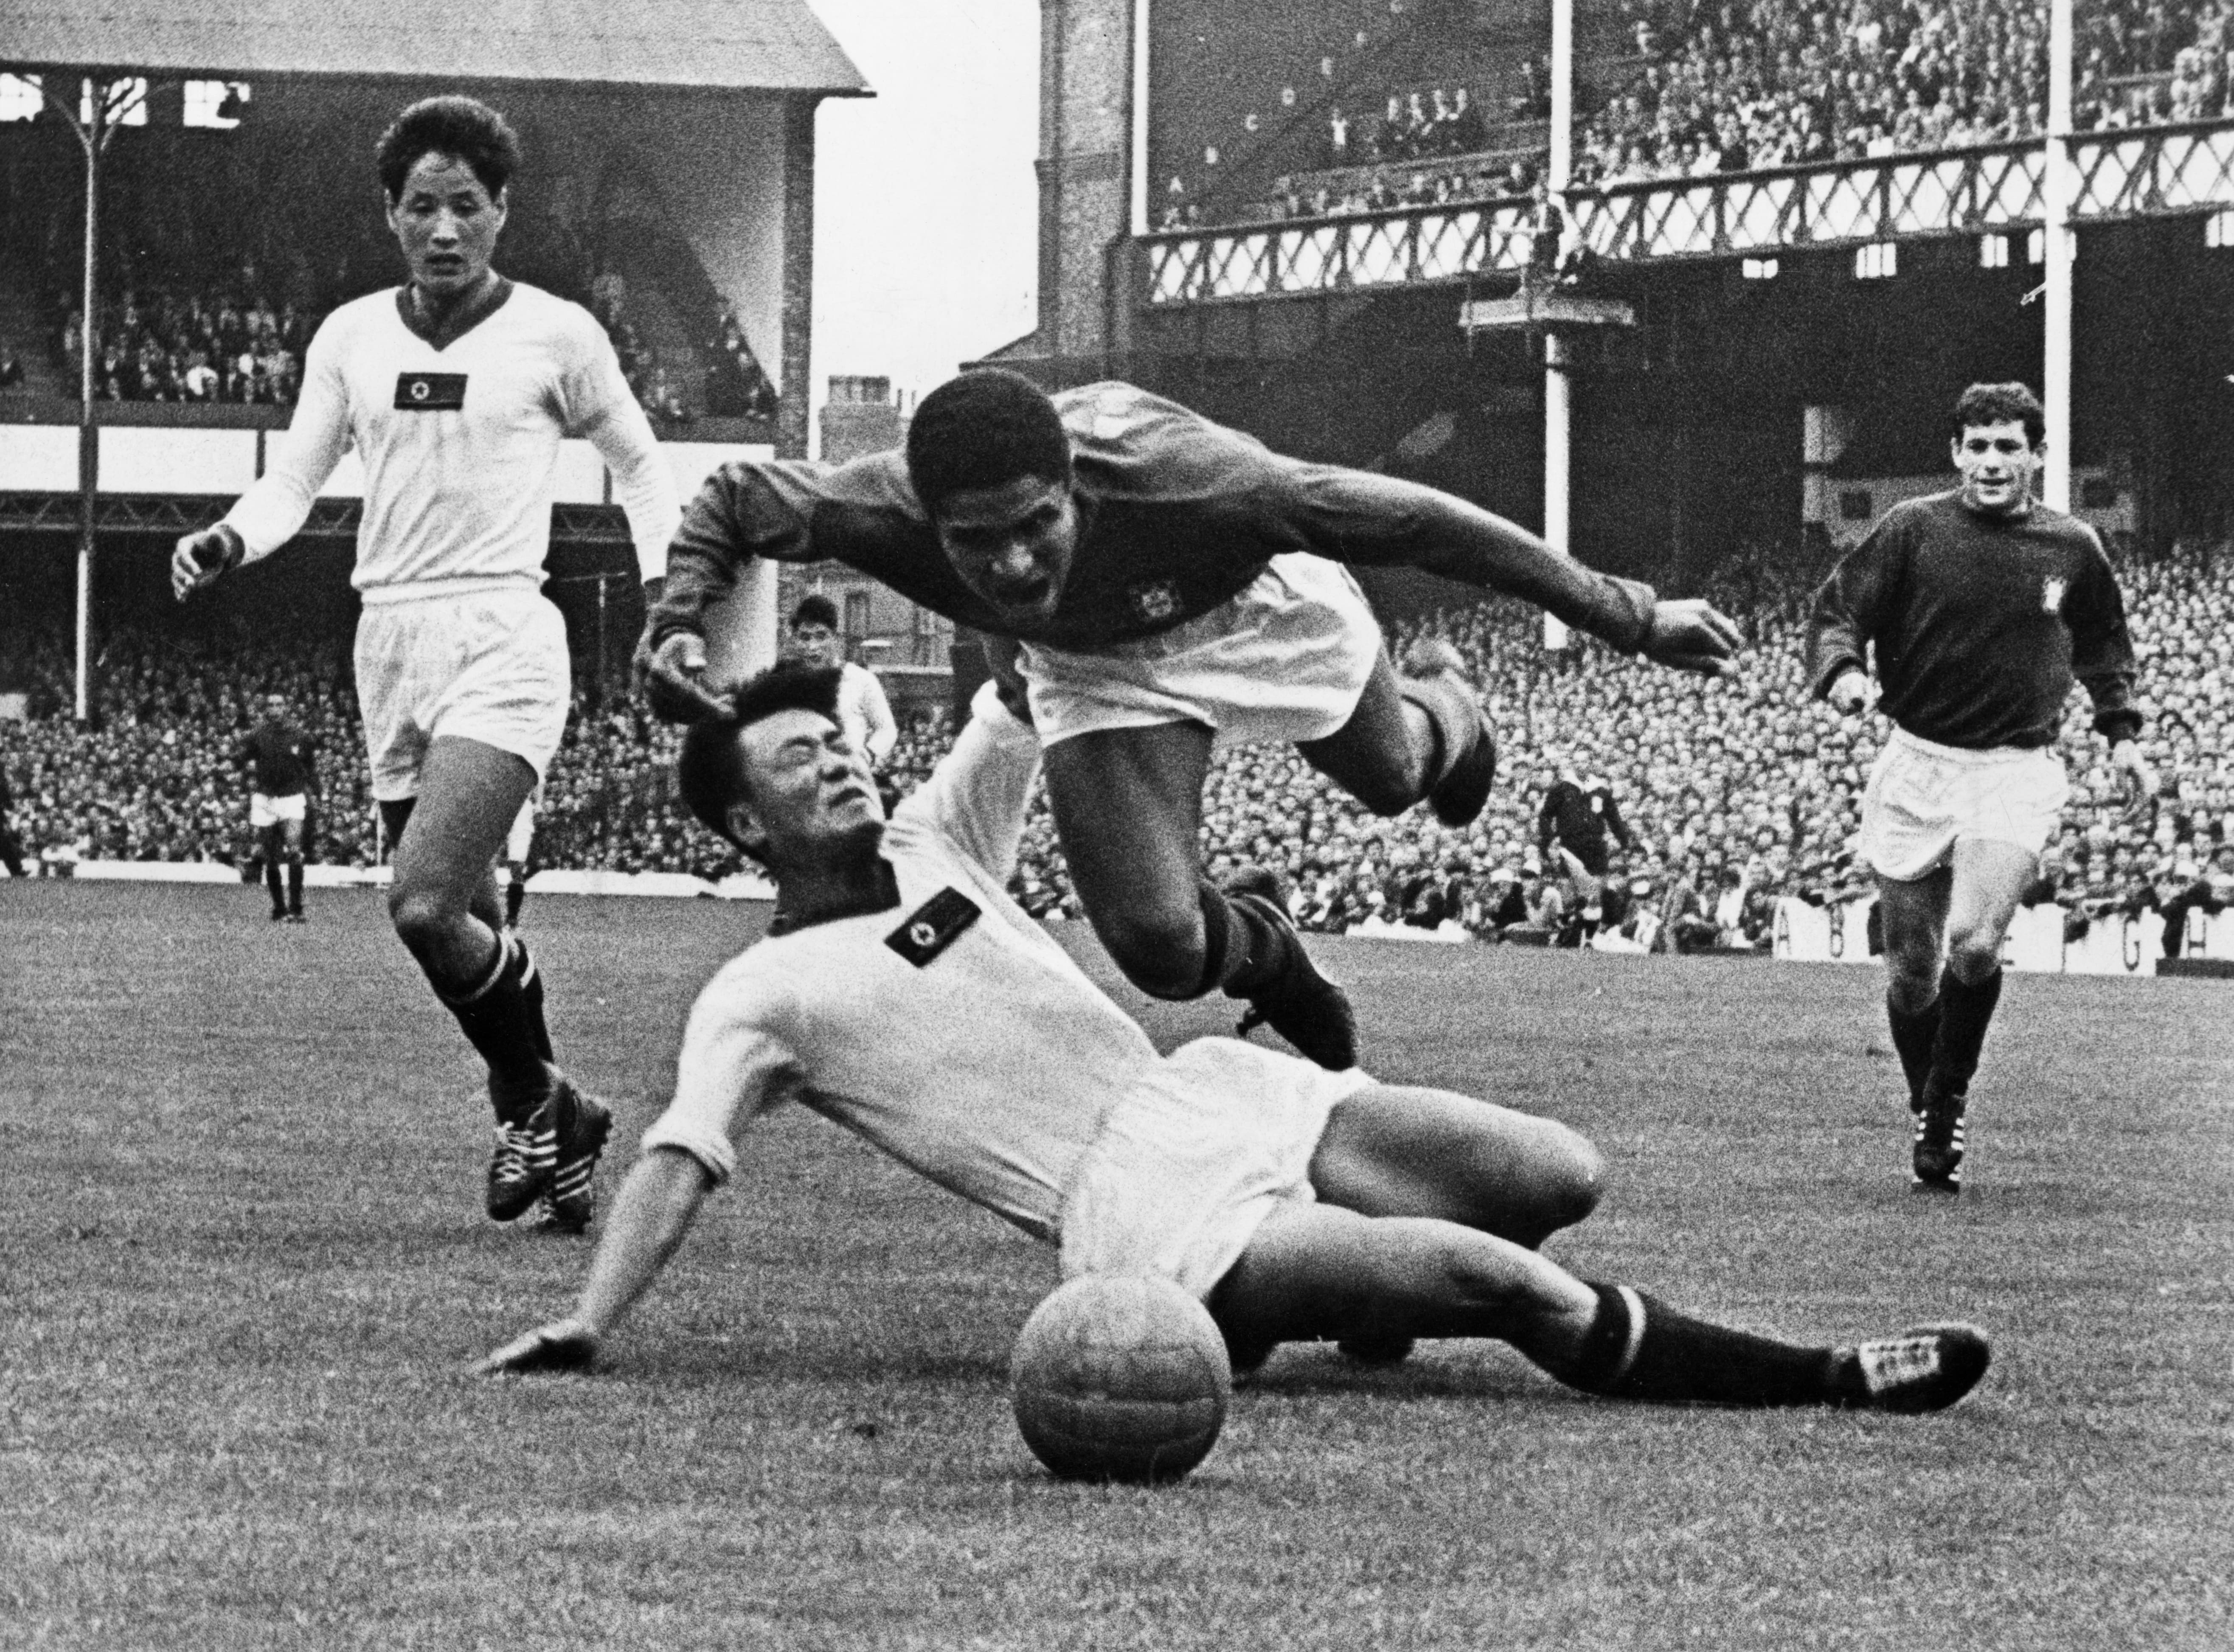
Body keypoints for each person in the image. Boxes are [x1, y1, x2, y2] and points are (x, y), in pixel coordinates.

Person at [478, 661, 1989, 1419]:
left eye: (837, 740)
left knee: (1557, 1173)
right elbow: (682, 1151)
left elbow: (1028, 678)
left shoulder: (942, 839)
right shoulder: (760, 991)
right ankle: (1828, 1374)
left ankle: (1331, 1292)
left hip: (1214, 1086)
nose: (838, 764)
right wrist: (595, 1318)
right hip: (1135, 1211)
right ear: (748, 819)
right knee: (1501, 1279)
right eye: (799, 761)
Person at [639, 369, 1743, 1073]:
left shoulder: (1205, 489)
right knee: (1161, 951)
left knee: (1394, 778)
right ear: (930, 522)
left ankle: (1445, 706)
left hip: (1249, 610)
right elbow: (735, 496)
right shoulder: (877, 511)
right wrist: (679, 614)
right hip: (1096, 665)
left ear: (1075, 486)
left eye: (1036, 525)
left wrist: (1629, 614)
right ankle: (1275, 961)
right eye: (978, 542)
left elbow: (1425, 523)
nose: (1013, 560)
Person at [169, 95, 682, 1231]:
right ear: (389, 215)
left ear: (502, 212)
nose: (443, 228)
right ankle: (555, 1114)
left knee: (422, 902)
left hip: (502, 632)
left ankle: (537, 1102)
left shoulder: (558, 332)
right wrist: (226, 537)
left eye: (465, 206)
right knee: (470, 911)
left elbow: (644, 469)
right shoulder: (350, 335)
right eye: (420, 207)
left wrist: (667, 599)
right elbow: (294, 483)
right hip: (386, 639)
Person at [1808, 382, 2151, 1194]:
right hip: (1915, 762)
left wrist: (2123, 737)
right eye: (1978, 446)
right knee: (1910, 972)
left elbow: (2105, 644)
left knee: (1972, 942)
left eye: (2008, 447)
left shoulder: (2071, 546)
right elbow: (1836, 612)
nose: (1992, 462)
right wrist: (1844, 674)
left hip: (2012, 768)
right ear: (1956, 453)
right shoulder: (1910, 530)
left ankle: (1946, 1101)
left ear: (2034, 453)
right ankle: (1927, 1099)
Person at [785, 593, 896, 767]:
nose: (813, 647)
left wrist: (866, 756)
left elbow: (887, 729)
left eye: (821, 637)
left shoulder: (861, 680)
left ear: (835, 638)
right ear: (795, 640)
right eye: (805, 638)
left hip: (846, 777)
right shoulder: (785, 684)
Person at [237, 692, 315, 922]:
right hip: (265, 799)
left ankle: (297, 908)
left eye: (279, 704)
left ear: (286, 707)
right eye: (270, 705)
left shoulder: (301, 736)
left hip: (291, 798)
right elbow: (242, 760)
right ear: (266, 709)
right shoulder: (257, 736)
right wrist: (248, 777)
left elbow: (310, 767)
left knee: (294, 851)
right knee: (270, 857)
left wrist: (314, 793)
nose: (275, 709)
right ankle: (279, 908)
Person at [1538, 766, 1633, 907]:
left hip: (1595, 847)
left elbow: (1615, 820)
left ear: (1590, 764)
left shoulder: (1601, 791)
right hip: (1570, 846)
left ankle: (1594, 919)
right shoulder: (1562, 789)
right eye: (1579, 761)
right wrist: (1550, 838)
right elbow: (1545, 815)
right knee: (1570, 891)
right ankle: (1572, 920)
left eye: (1585, 761)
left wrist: (1624, 843)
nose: (1582, 765)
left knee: (1596, 890)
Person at [503, 796, 535, 932]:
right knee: (513, 871)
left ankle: (512, 918)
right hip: (505, 814)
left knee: (516, 870)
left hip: (521, 821)